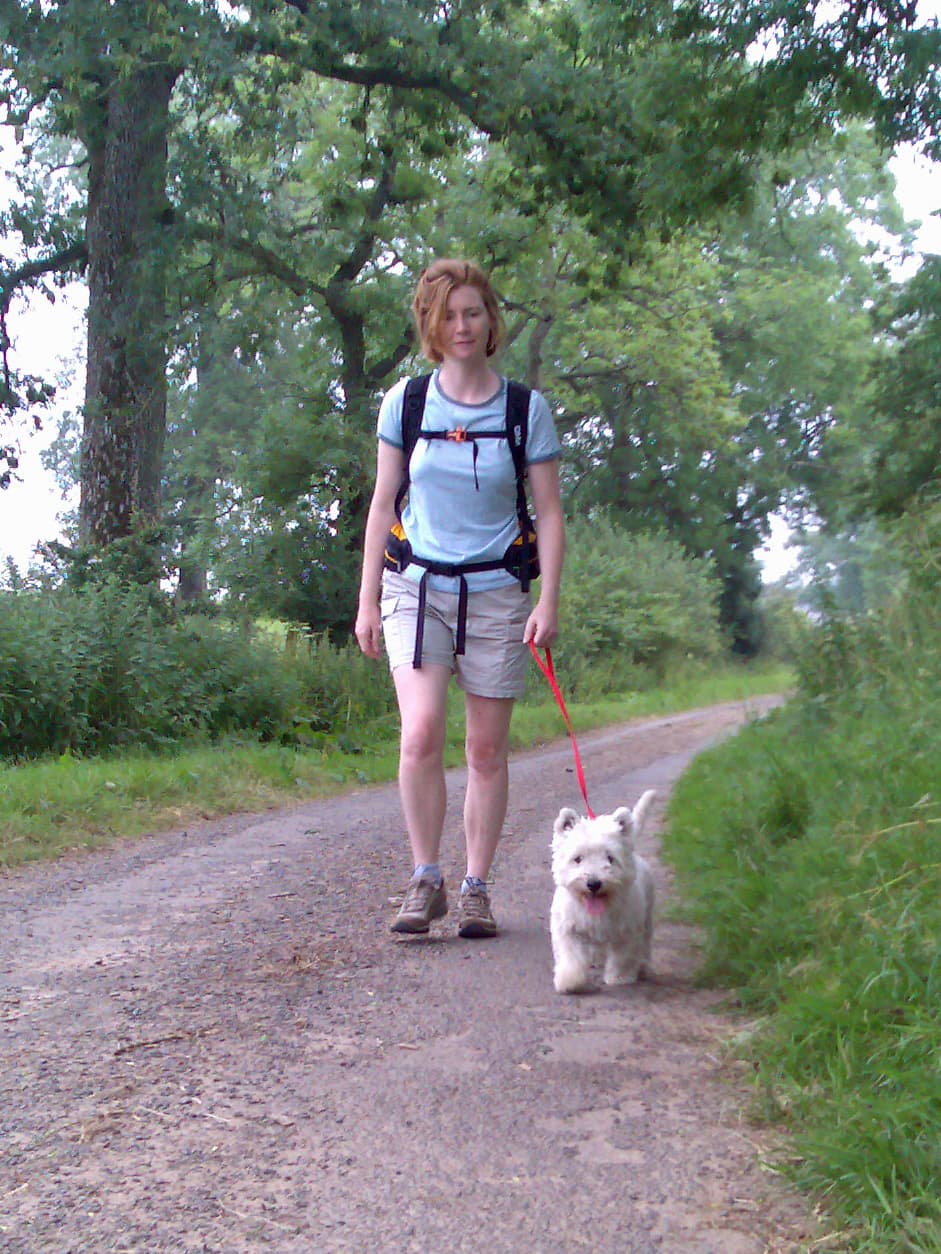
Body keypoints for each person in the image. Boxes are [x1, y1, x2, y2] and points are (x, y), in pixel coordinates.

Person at [354, 258, 565, 939]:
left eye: (472, 312)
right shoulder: (406, 403)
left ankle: (475, 885)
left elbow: (551, 511)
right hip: (414, 586)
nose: (462, 325)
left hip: (499, 590)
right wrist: (364, 602)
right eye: (448, 315)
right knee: (419, 733)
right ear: (430, 326)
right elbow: (383, 501)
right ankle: (425, 879)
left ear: (490, 320)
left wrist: (548, 600)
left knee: (484, 750)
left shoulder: (522, 410)